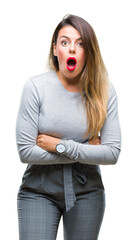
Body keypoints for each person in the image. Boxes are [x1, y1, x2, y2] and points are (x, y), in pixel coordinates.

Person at [16, 14, 121, 240]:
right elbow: (26, 151)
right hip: (38, 191)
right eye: (65, 42)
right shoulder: (35, 87)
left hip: (87, 193)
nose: (72, 49)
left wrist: (59, 146)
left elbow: (112, 152)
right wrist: (87, 150)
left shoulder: (105, 91)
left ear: (89, 51)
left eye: (80, 43)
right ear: (55, 50)